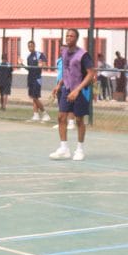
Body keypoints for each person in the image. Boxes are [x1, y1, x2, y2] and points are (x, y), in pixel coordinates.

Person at [49, 28, 96, 161]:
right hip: (66, 88)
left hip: (80, 91)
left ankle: (79, 150)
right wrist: (59, 84)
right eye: (67, 35)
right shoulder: (64, 52)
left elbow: (91, 73)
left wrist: (77, 90)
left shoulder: (83, 55)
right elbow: (67, 71)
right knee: (61, 117)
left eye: (72, 36)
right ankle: (64, 149)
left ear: (76, 38)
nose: (69, 38)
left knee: (79, 120)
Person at [23, 41, 50, 122]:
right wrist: (21, 64)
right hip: (30, 78)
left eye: (31, 45)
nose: (30, 47)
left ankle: (45, 114)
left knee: (35, 98)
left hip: (37, 79)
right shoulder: (29, 57)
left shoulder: (39, 54)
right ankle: (36, 115)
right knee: (33, 97)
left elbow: (44, 65)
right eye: (29, 46)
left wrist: (42, 65)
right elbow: (29, 69)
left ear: (34, 46)